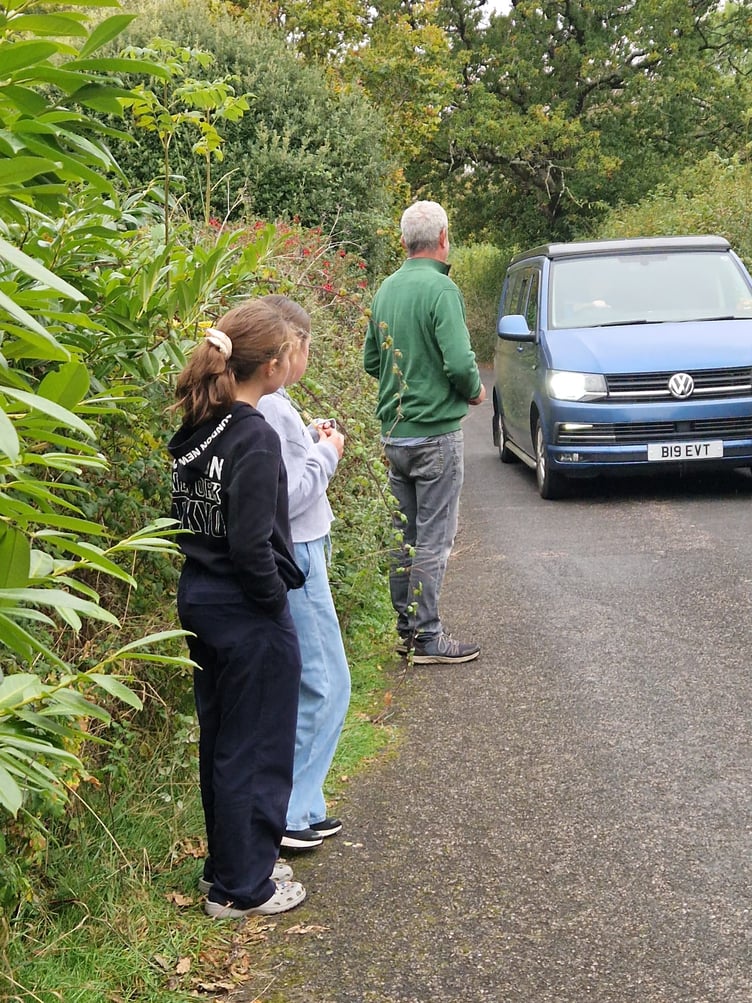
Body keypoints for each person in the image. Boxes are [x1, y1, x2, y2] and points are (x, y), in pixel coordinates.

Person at [168, 299, 307, 919]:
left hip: (200, 596)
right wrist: (277, 607)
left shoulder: (200, 423)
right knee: (256, 748)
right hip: (248, 611)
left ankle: (224, 868)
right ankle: (243, 888)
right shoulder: (255, 437)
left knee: (223, 740)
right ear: (273, 366)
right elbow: (253, 545)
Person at [363, 200, 486, 664]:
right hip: (436, 434)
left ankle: (407, 630)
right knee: (435, 537)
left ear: (402, 243)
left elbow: (372, 361)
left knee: (405, 536)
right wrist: (472, 390)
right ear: (443, 238)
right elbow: (458, 361)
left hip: (395, 435)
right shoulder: (441, 289)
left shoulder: (385, 290)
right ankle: (429, 636)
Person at [257, 295, 351, 852]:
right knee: (327, 682)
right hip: (300, 554)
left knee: (314, 679)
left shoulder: (274, 401)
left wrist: (312, 443)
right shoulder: (268, 408)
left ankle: (303, 805)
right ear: (289, 349)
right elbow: (285, 497)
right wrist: (329, 454)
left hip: (307, 549)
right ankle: (291, 813)